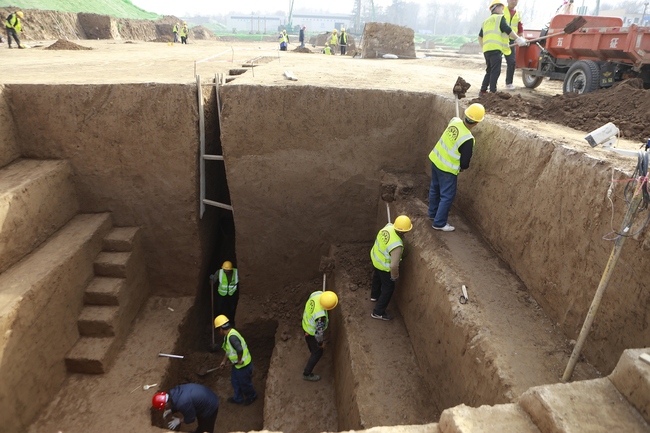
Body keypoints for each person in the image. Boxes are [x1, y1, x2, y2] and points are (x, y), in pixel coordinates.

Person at [428, 104, 485, 232]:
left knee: (434, 189)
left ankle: (432, 214)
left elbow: (455, 122)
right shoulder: (468, 139)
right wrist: (462, 168)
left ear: (465, 115)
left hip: (436, 160)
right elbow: (465, 162)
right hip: (448, 170)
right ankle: (439, 223)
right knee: (447, 196)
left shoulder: (455, 121)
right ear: (476, 123)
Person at [478, 0, 528, 95]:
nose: (503, 10)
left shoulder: (486, 21)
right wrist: (518, 39)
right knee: (495, 71)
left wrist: (484, 47)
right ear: (496, 8)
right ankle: (493, 92)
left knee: (489, 70)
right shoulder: (500, 18)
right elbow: (508, 29)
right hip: (496, 49)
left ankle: (483, 91)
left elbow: (479, 37)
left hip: (487, 50)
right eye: (502, 8)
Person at [370, 215, 412, 320]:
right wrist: (394, 276)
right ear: (403, 232)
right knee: (388, 289)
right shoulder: (397, 245)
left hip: (376, 259)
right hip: (384, 267)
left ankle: (374, 296)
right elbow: (394, 265)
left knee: (377, 278)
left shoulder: (388, 227)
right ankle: (378, 312)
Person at [215, 315, 258, 406]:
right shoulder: (227, 336)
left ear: (221, 329)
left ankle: (252, 396)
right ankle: (238, 398)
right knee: (235, 381)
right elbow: (228, 350)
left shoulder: (232, 337)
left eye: (218, 329)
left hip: (243, 365)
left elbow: (239, 350)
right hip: (237, 365)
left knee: (245, 383)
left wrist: (239, 360)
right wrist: (224, 361)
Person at [151, 383, 219, 433]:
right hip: (204, 397)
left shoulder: (183, 403)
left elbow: (191, 418)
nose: (165, 408)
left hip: (210, 406)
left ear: (166, 404)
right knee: (201, 424)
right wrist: (172, 410)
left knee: (206, 428)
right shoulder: (174, 392)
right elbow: (176, 401)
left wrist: (179, 421)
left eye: (164, 407)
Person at [302, 290, 338, 381]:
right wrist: (320, 343)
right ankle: (307, 374)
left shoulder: (317, 294)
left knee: (311, 346)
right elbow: (319, 334)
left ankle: (312, 351)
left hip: (305, 325)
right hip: (311, 333)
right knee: (318, 352)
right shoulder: (320, 317)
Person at [503, 0, 524, 90]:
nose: (513, 1)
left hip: (511, 41)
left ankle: (509, 83)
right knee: (495, 62)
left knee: (512, 62)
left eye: (516, 0)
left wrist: (521, 38)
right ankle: (490, 83)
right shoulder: (502, 10)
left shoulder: (518, 13)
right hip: (500, 40)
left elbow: (520, 28)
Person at [213, 260, 239, 327]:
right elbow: (212, 282)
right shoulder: (219, 272)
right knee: (219, 308)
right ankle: (218, 323)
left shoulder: (236, 272)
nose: (226, 272)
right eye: (225, 270)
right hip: (221, 294)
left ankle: (231, 323)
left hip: (232, 294)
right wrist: (212, 279)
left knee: (232, 309)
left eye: (227, 271)